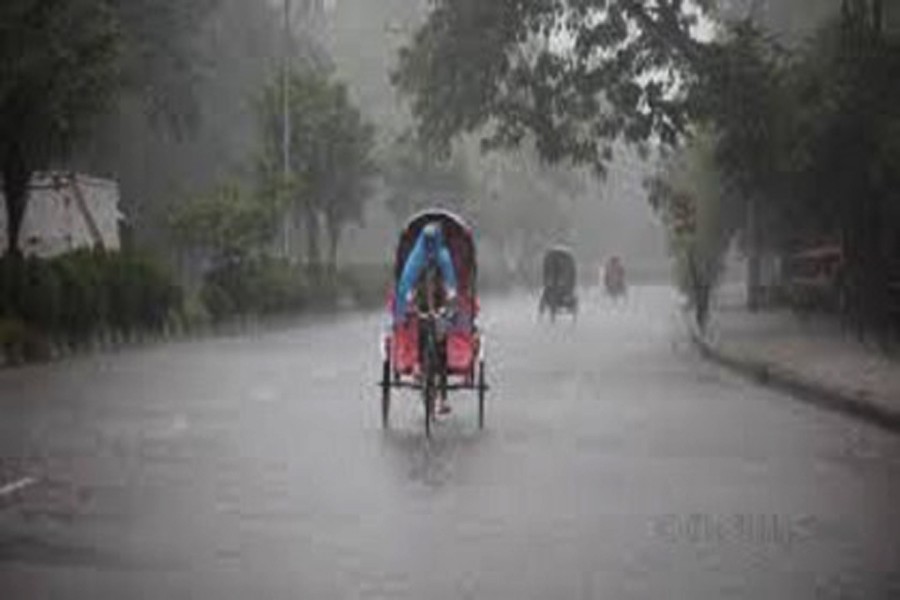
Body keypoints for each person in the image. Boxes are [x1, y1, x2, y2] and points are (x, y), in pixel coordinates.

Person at [395, 222, 458, 415]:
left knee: (442, 351)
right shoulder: (417, 259)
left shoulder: (443, 258)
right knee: (422, 337)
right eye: (427, 241)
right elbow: (408, 283)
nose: (430, 245)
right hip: (421, 306)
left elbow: (450, 284)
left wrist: (450, 302)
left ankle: (443, 398)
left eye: (433, 240)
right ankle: (419, 367)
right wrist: (408, 303)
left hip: (439, 307)